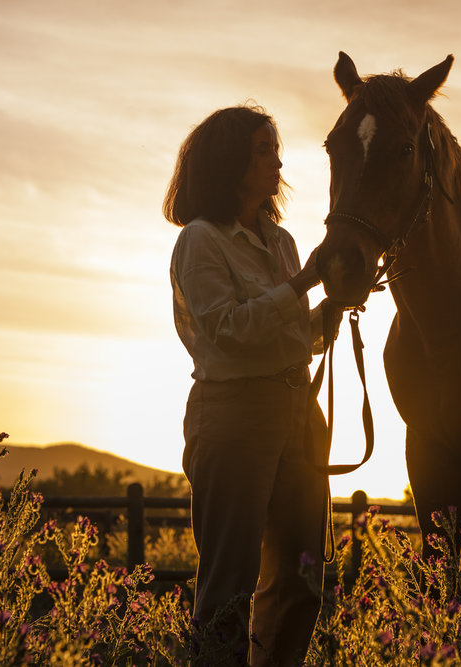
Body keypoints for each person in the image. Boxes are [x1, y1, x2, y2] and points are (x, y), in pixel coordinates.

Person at [164, 104, 330, 666]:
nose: (276, 161)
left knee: (304, 577)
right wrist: (305, 282)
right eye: (263, 149)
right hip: (235, 416)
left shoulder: (279, 241)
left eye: (275, 149)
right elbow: (227, 331)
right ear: (229, 160)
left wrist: (331, 310)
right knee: (230, 583)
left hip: (297, 413)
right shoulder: (201, 240)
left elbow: (293, 336)